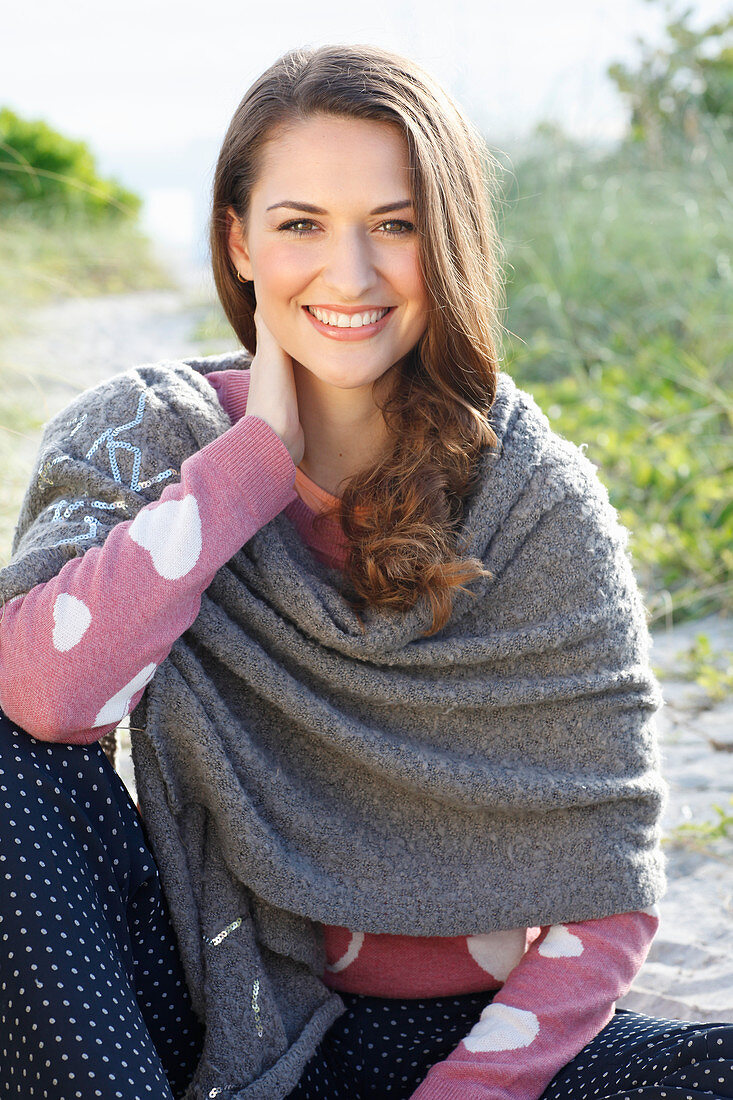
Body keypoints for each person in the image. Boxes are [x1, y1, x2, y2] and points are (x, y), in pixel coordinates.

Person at [0, 41, 731, 1100]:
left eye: (394, 226)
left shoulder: (534, 498)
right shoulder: (152, 435)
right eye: (301, 224)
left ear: (449, 243)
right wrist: (248, 468)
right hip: (217, 1009)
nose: (349, 275)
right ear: (238, 240)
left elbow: (608, 883)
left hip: (468, 1034)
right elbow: (46, 696)